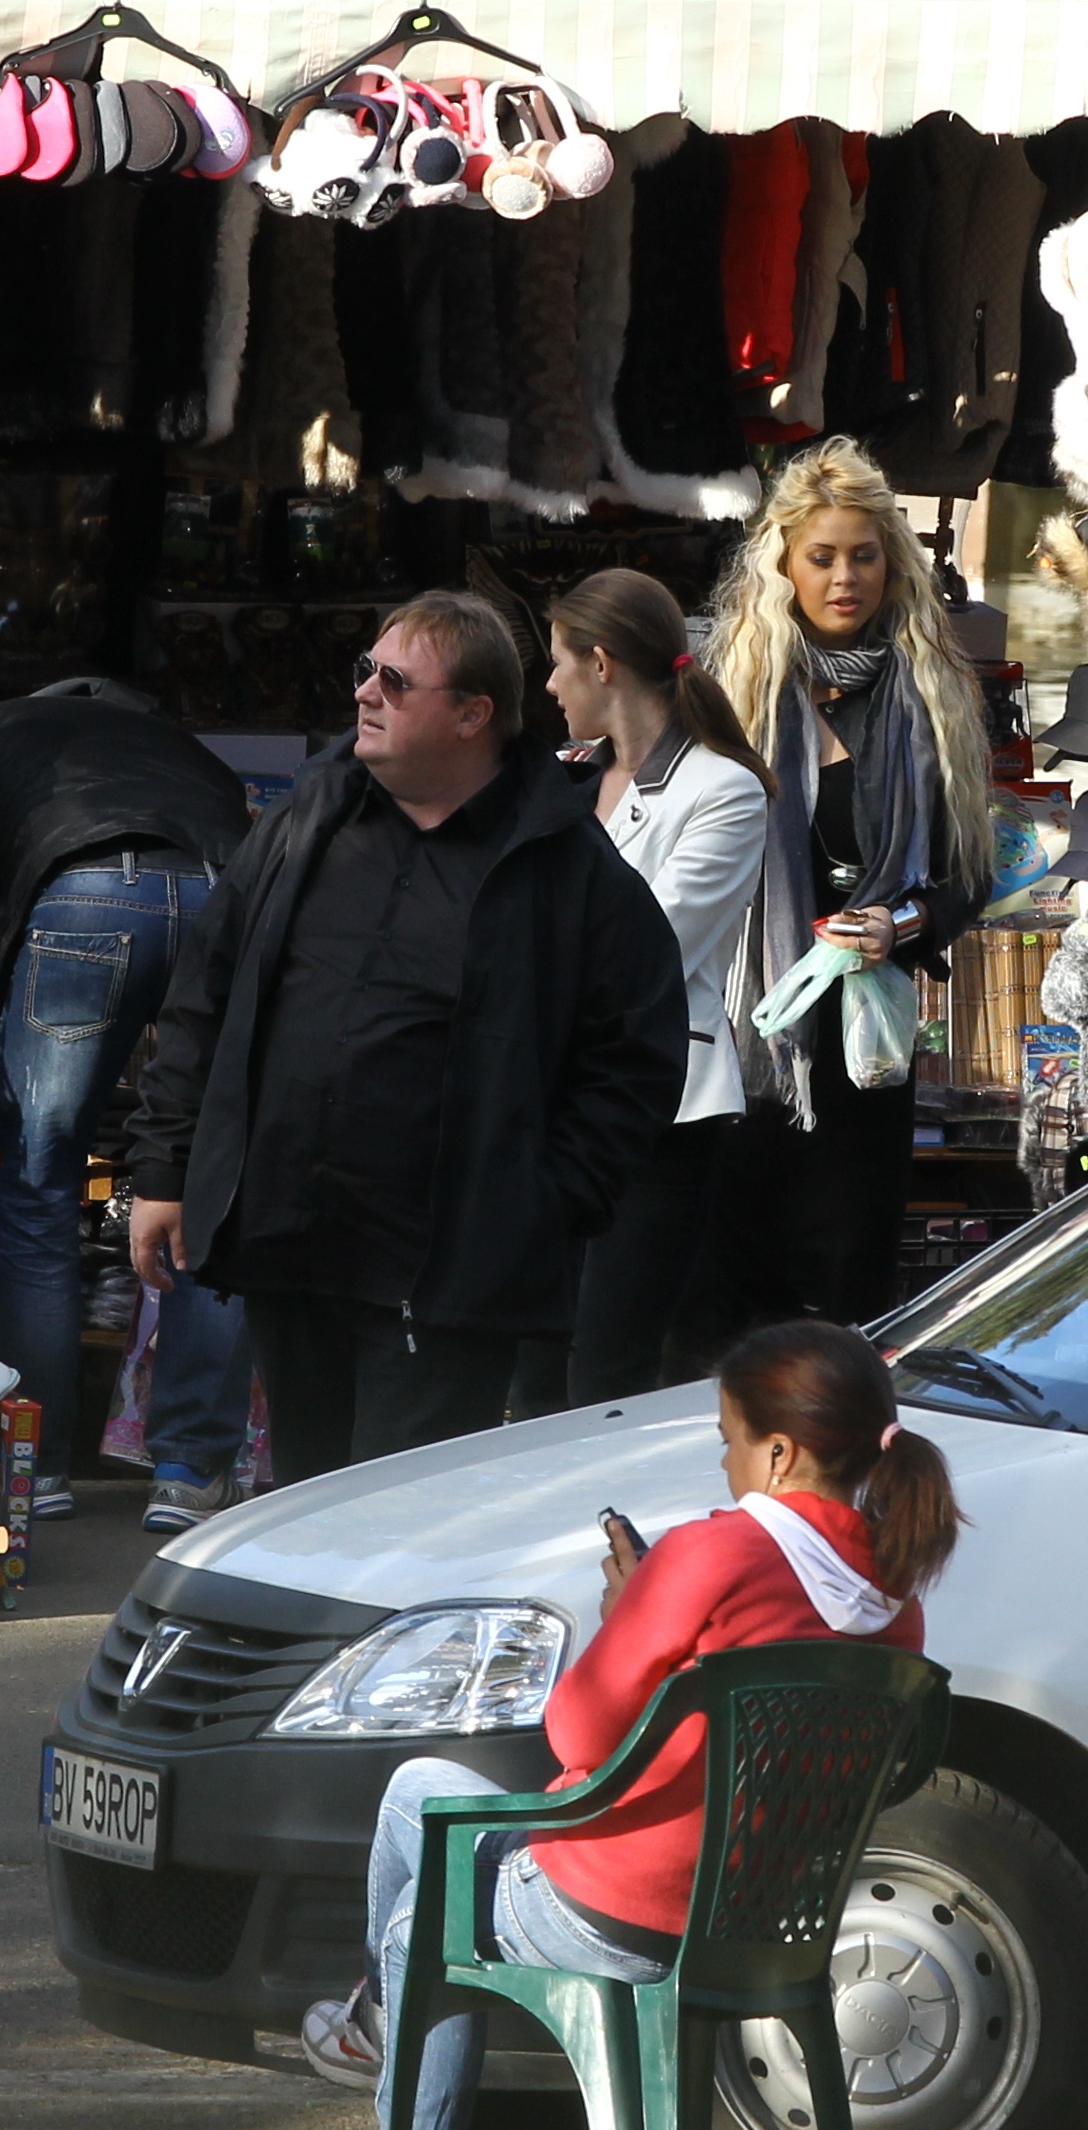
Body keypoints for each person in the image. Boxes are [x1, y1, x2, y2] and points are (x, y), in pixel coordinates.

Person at [300, 1320, 960, 2130]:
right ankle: (373, 2019)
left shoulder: (711, 1553)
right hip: (766, 1919)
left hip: (625, 1909)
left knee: (420, 1923)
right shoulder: (896, 1603)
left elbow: (575, 1734)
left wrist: (628, 1612)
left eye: (727, 1441)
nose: (724, 1462)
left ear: (776, 1451)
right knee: (418, 1785)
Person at [124, 591, 684, 1483]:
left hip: (447, 1274)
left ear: (472, 713)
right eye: (363, 672)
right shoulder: (309, 821)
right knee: (303, 1508)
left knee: (398, 1524)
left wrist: (539, 1201)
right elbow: (205, 994)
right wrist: (163, 1169)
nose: (364, 695)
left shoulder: (565, 866)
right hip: (292, 1247)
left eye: (394, 679)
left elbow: (638, 1056)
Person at [0, 677, 259, 1530]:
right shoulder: (189, 752)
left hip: (83, 903)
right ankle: (185, 1473)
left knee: (39, 1188)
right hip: (220, 899)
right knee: (209, 1183)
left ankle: (39, 1463)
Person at [700, 438, 998, 1337]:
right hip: (749, 1035)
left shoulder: (929, 688)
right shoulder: (736, 693)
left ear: (889, 561)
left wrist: (901, 921)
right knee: (731, 1293)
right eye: (821, 556)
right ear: (782, 565)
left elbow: (968, 874)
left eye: (863, 555)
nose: (844, 577)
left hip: (866, 1041)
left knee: (846, 1293)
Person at [523, 569, 773, 1409]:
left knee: (605, 1367)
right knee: (528, 1360)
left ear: (600, 664)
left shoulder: (723, 788)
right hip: (541, 1103)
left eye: (556, 663)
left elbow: (650, 951)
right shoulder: (556, 782)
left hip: (657, 1112)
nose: (547, 684)